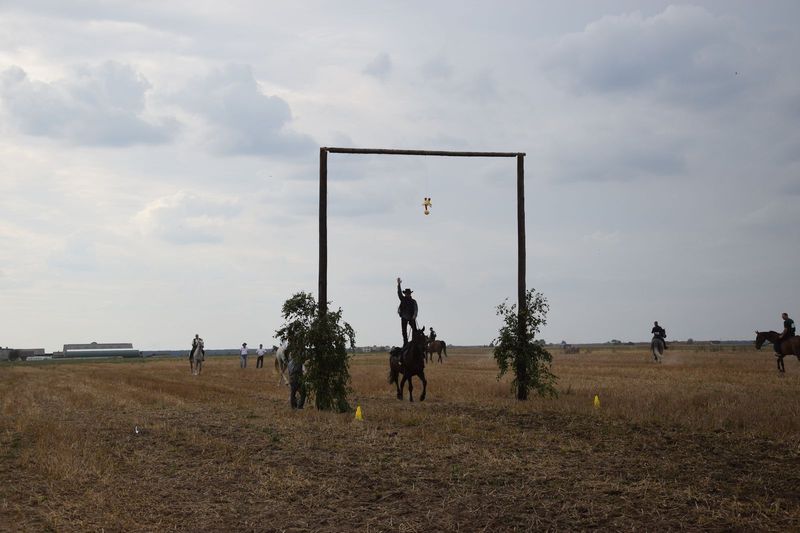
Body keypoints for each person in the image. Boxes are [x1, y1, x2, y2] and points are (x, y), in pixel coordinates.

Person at [396, 277, 418, 346]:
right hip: (404, 316)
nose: (407, 294)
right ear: (405, 294)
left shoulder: (413, 301)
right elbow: (399, 293)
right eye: (406, 293)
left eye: (408, 293)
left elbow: (416, 309)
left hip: (411, 317)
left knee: (415, 330)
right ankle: (405, 342)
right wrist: (399, 284)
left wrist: (414, 315)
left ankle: (414, 341)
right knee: (404, 331)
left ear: (410, 294)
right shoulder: (402, 299)